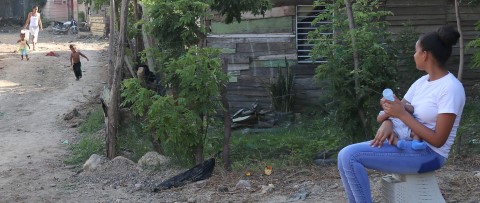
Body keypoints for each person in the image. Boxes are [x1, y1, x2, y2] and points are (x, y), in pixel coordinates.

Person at [337, 25, 466, 203]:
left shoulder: (450, 88)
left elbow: (438, 140)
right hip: (407, 144)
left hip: (430, 154)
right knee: (344, 156)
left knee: (350, 156)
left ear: (425, 54)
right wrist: (389, 120)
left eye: (416, 51)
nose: (414, 55)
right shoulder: (422, 82)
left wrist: (401, 115)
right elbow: (397, 108)